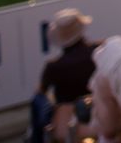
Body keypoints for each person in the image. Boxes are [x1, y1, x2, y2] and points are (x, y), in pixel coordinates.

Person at [29, 8, 98, 142]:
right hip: (100, 114)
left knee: (37, 99)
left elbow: (40, 91)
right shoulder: (99, 52)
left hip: (64, 126)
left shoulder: (53, 67)